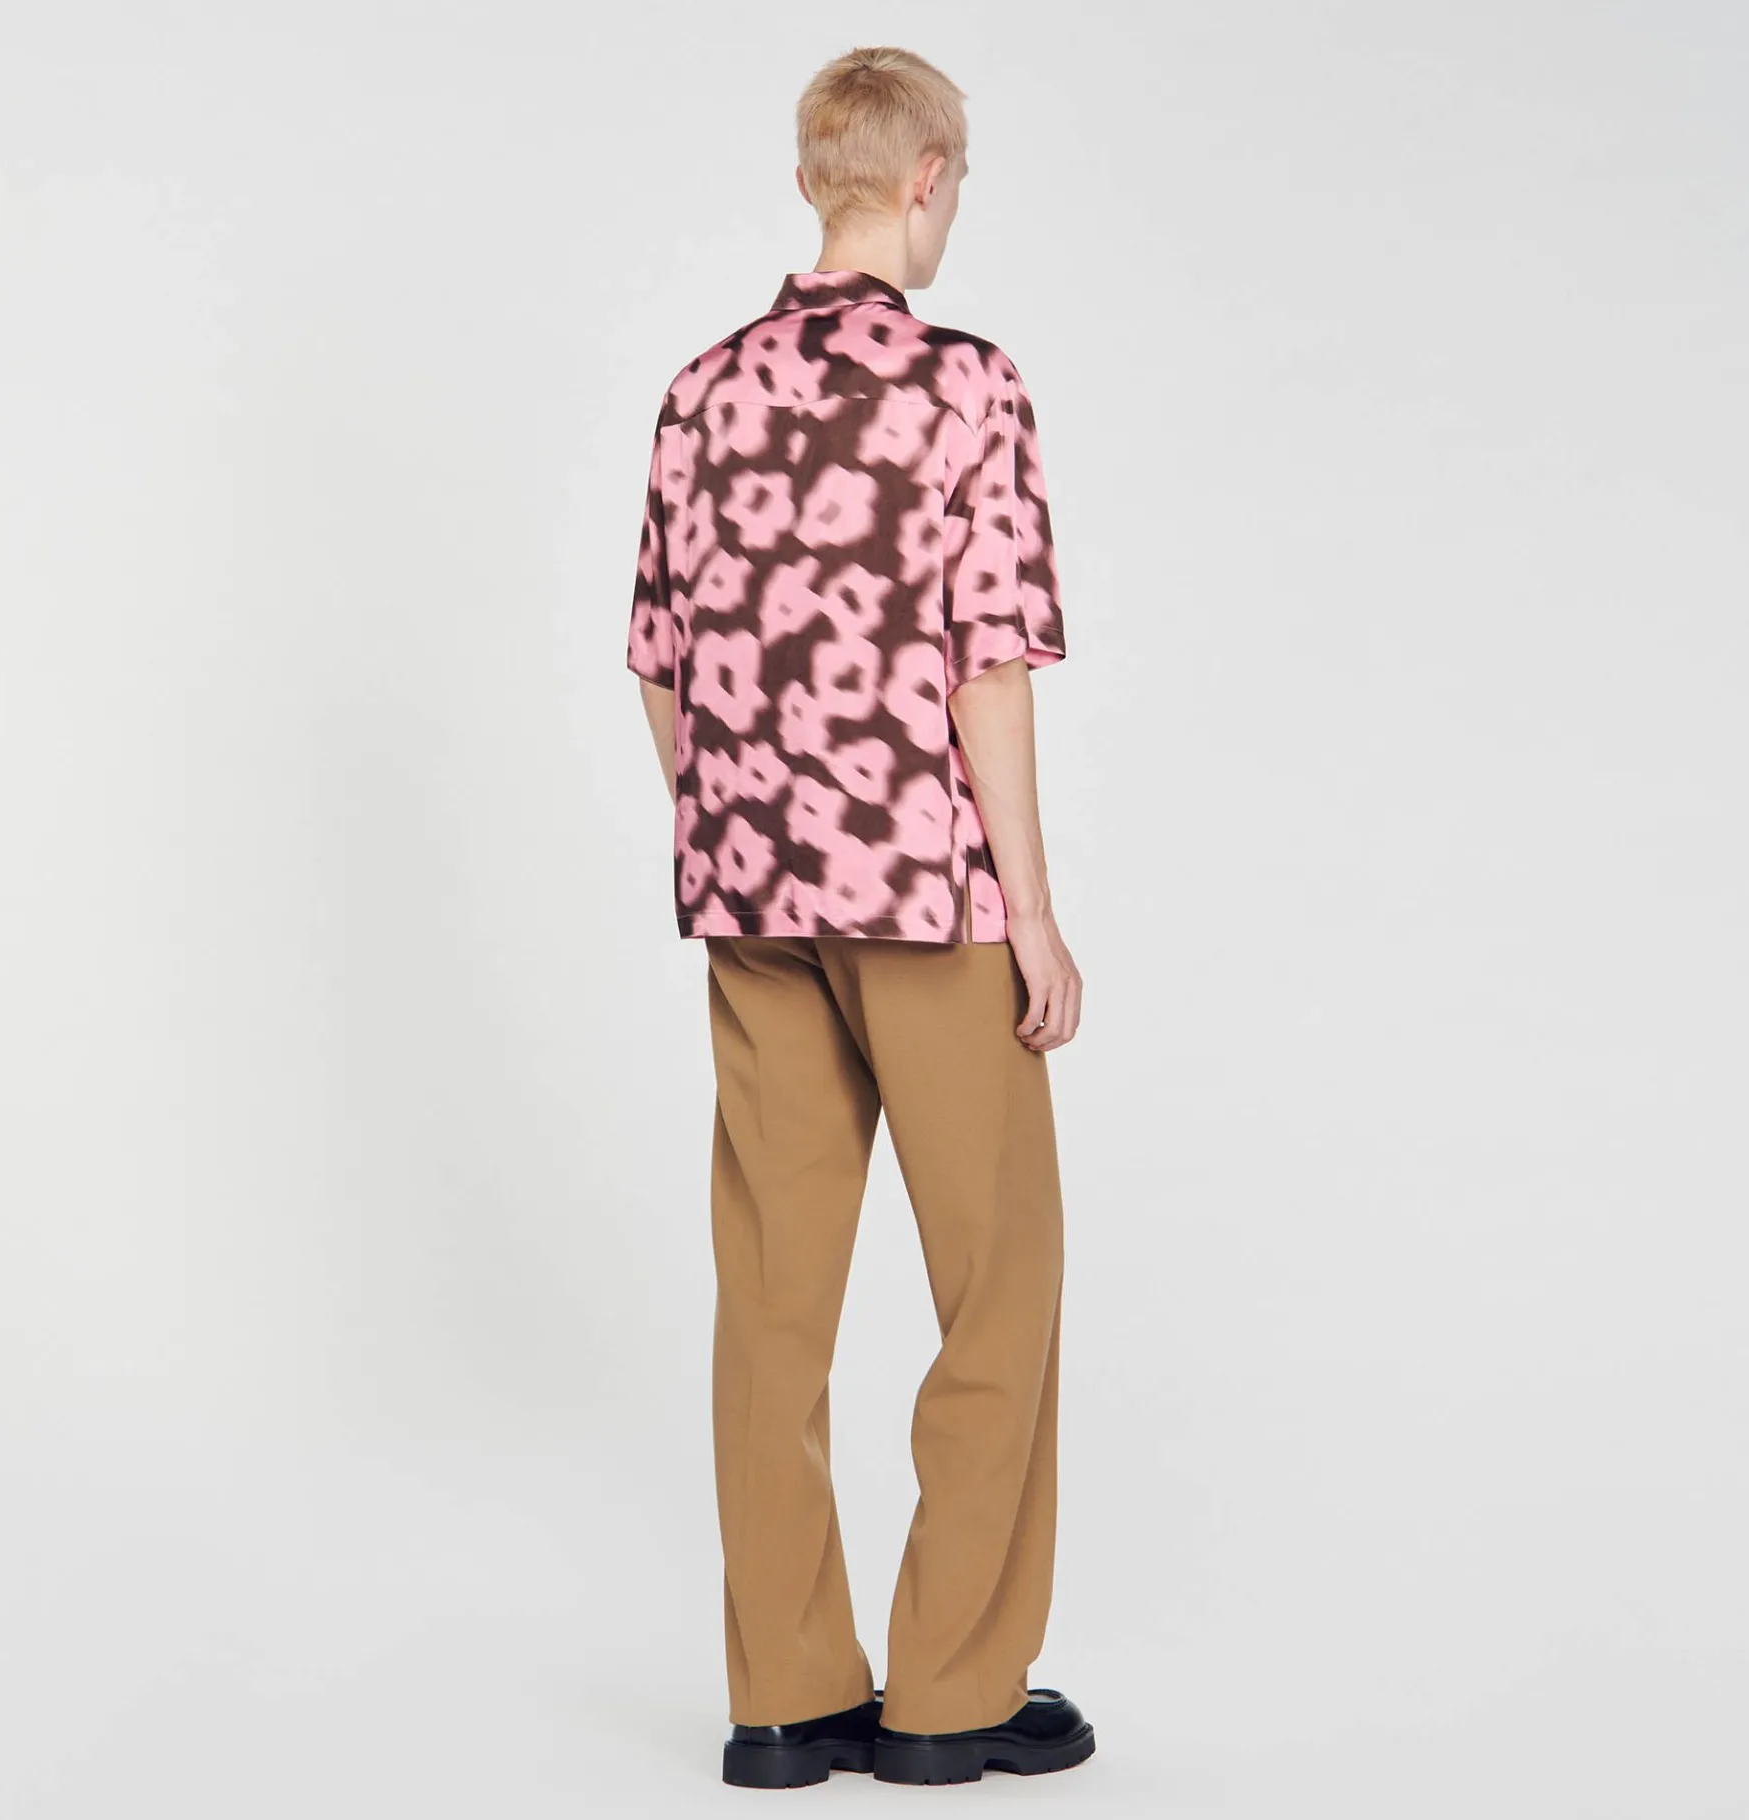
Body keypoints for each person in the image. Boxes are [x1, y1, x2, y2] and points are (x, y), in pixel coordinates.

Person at [625, 45, 1092, 1790]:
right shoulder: (967, 387)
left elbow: (658, 666)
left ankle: (785, 1694)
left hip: (754, 896)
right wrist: (1033, 915)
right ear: (926, 178)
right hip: (928, 898)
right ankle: (952, 1693)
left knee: (772, 1296)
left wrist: (739, 828)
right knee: (999, 1286)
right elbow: (990, 665)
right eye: (955, 184)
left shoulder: (700, 393)